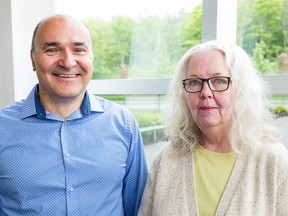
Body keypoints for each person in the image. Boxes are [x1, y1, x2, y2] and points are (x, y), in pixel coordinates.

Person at [0, 14, 148, 215]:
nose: (68, 62)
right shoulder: (2, 128)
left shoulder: (123, 123)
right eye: (52, 49)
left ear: (91, 57)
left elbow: (139, 207)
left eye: (79, 49)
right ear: (33, 59)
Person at [138, 40, 288, 215]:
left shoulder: (274, 160)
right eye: (194, 82)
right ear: (183, 94)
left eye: (218, 80)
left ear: (241, 89)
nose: (205, 92)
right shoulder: (167, 159)